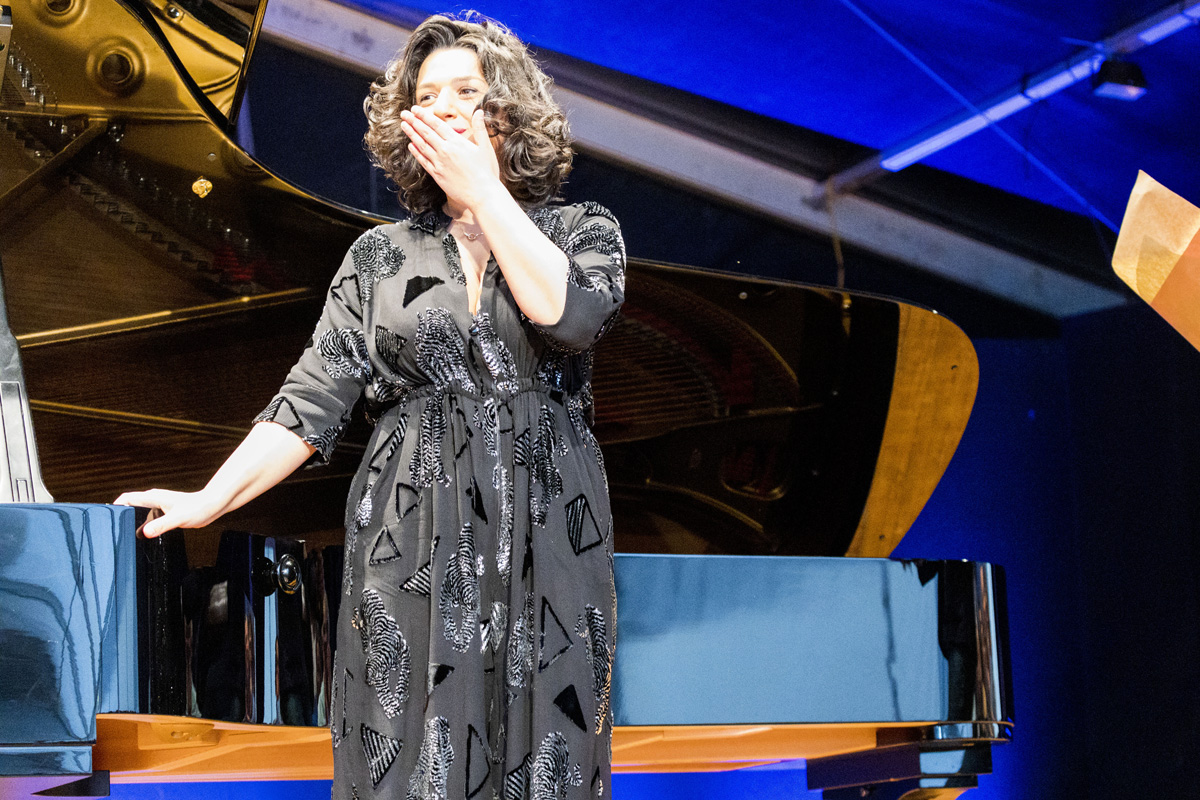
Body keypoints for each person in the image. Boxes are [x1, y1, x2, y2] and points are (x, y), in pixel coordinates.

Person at [116, 12, 624, 799]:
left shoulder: (582, 229)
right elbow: (310, 399)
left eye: (467, 91)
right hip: (408, 536)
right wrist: (208, 499)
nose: (444, 106)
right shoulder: (379, 257)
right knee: (405, 756)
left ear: (509, 110)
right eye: (427, 95)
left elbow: (569, 316)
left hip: (548, 531)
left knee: (548, 757)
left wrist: (485, 193)